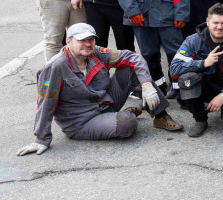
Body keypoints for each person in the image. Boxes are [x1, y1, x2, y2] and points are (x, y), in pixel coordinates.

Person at [17, 23, 170, 156]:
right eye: (82, 40)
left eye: (91, 39)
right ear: (68, 41)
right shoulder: (55, 67)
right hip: (81, 122)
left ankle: (160, 116)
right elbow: (46, 102)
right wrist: (41, 139)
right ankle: (123, 115)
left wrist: (146, 85)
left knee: (130, 70)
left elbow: (132, 57)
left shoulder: (95, 52)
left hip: (105, 104)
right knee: (127, 123)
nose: (88, 44)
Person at [169, 3, 223, 137]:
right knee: (187, 80)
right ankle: (200, 119)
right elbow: (174, 68)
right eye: (215, 22)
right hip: (205, 85)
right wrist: (203, 63)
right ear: (207, 21)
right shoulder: (192, 41)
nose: (219, 27)